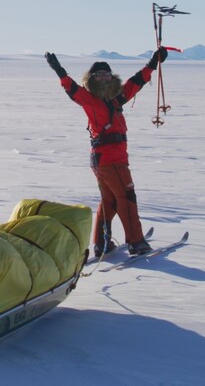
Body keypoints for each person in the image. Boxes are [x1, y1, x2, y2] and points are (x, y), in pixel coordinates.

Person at [45, 47, 168, 257]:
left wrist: (152, 64)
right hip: (109, 159)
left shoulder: (115, 98)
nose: (104, 78)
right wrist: (60, 72)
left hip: (108, 158)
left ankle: (101, 243)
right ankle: (136, 242)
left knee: (110, 200)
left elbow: (134, 83)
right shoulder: (90, 99)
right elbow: (73, 91)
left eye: (107, 74)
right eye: (99, 75)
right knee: (126, 196)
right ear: (92, 78)